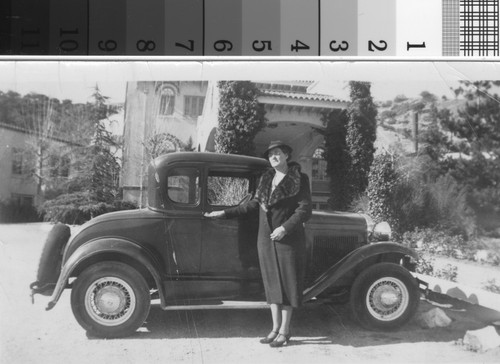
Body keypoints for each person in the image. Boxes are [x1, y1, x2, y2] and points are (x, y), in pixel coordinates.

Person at [205, 141, 312, 347]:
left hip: (287, 239)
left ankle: (285, 331)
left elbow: (304, 210)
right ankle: (274, 329)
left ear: (287, 155)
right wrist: (225, 212)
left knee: (288, 284)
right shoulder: (266, 178)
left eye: (278, 153)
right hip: (265, 239)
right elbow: (253, 205)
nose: (274, 157)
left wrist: (285, 228)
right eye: (271, 154)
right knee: (272, 285)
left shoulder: (300, 178)